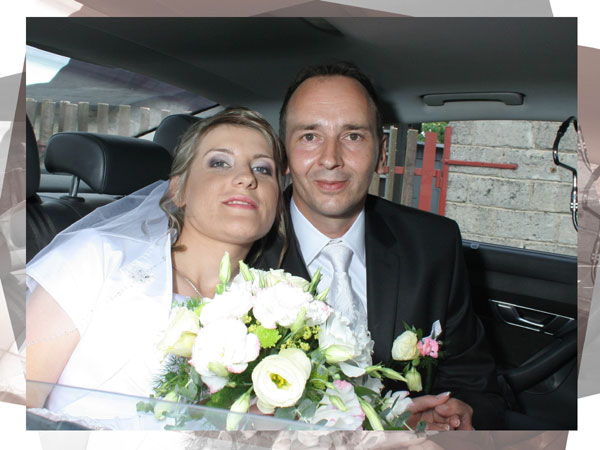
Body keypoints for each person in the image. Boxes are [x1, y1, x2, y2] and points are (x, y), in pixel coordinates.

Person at [257, 62, 506, 430]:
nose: (331, 158)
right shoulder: (243, 249)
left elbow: (475, 383)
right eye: (310, 136)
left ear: (382, 153)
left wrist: (458, 416)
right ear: (284, 156)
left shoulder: (433, 245)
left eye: (353, 136)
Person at [25, 107, 287, 415]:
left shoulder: (280, 310)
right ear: (178, 190)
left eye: (263, 169)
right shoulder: (98, 259)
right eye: (219, 163)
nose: (246, 178)